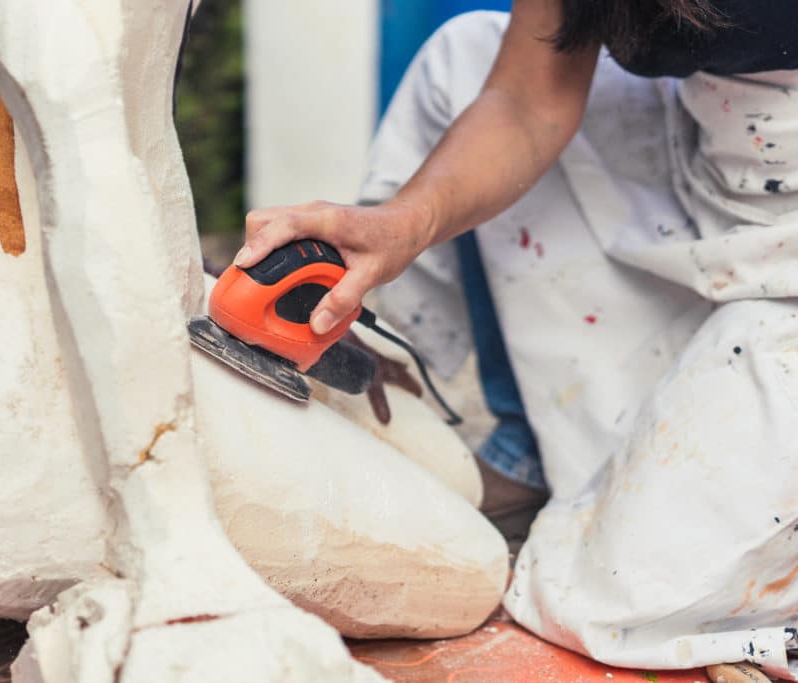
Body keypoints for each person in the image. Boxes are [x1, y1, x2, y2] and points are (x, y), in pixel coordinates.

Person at [236, 2, 798, 679]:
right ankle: (412, 418)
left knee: (613, 598)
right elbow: (529, 99)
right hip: (713, 179)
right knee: (468, 55)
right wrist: (401, 225)